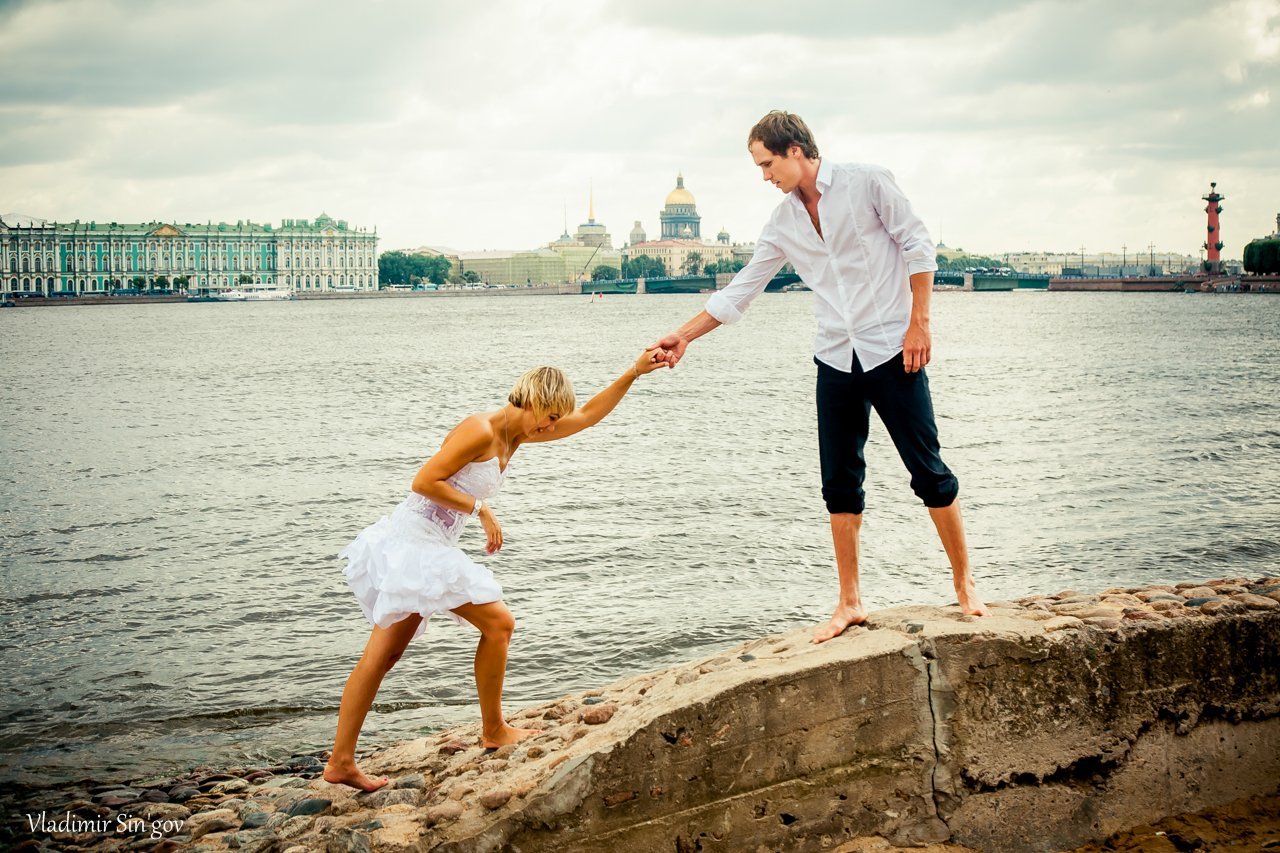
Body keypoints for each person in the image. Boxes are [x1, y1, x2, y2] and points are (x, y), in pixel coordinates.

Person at [652, 110, 990, 644]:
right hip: (835, 356)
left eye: (767, 164)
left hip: (893, 349)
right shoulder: (782, 223)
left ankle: (964, 582)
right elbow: (742, 290)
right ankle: (849, 602)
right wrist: (684, 335)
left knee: (927, 470)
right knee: (839, 482)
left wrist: (919, 324)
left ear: (794, 150)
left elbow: (918, 246)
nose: (765, 176)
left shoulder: (866, 182)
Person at [324, 351, 666, 792]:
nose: (552, 427)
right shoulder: (481, 430)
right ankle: (493, 730)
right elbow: (423, 481)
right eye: (550, 416)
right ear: (534, 400)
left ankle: (342, 762)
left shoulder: (517, 435)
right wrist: (480, 509)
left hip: (431, 543)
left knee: (385, 656)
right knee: (497, 623)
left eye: (555, 420)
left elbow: (585, 418)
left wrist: (633, 372)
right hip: (414, 541)